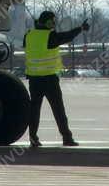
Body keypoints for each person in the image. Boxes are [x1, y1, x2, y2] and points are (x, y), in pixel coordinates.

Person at [24, 10, 89, 147]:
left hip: (34, 79)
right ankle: (67, 137)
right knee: (58, 109)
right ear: (48, 22)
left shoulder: (28, 35)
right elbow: (66, 36)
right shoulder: (49, 36)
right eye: (53, 21)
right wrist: (80, 29)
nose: (54, 24)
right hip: (49, 79)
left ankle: (33, 138)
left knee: (34, 110)